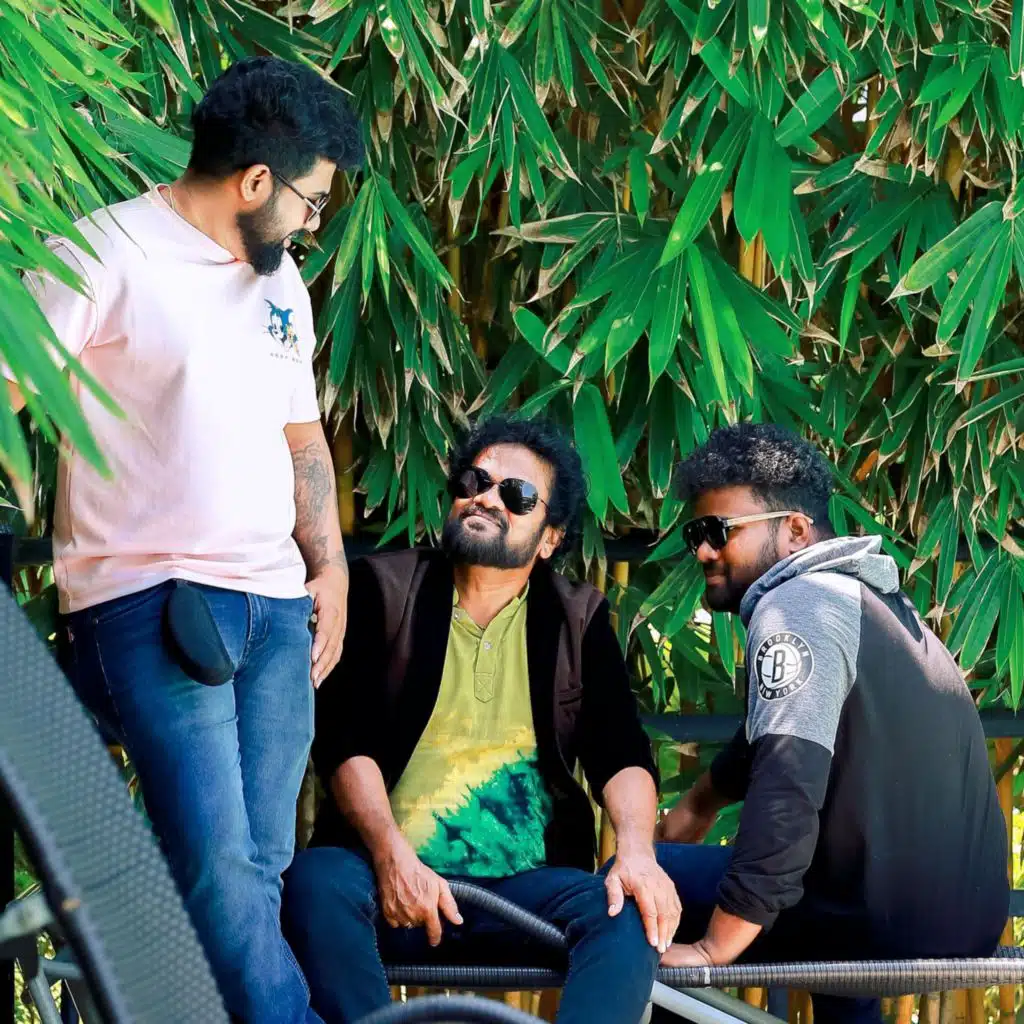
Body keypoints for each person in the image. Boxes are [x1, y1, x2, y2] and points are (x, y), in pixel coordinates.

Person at [7, 57, 364, 1023]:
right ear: (256, 181)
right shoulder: (104, 253)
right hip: (149, 602)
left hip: (276, 610)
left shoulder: (280, 281)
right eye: (311, 202)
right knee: (218, 870)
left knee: (260, 867)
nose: (312, 224)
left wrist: (329, 565)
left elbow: (301, 437)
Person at [282, 415, 680, 1024]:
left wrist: (635, 853)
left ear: (549, 538)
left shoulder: (578, 619)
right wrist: (391, 857)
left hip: (526, 896)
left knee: (624, 910)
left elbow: (620, 752)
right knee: (313, 884)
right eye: (474, 481)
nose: (486, 498)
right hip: (389, 883)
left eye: (516, 495)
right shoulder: (380, 591)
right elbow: (343, 741)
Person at [655, 423, 1009, 1024]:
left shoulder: (798, 604)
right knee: (823, 872)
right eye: (696, 534)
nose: (703, 552)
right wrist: (700, 802)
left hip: (878, 927)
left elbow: (785, 790)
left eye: (719, 531)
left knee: (640, 884)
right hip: (962, 922)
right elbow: (770, 741)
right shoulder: (875, 605)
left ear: (795, 530)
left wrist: (715, 948)